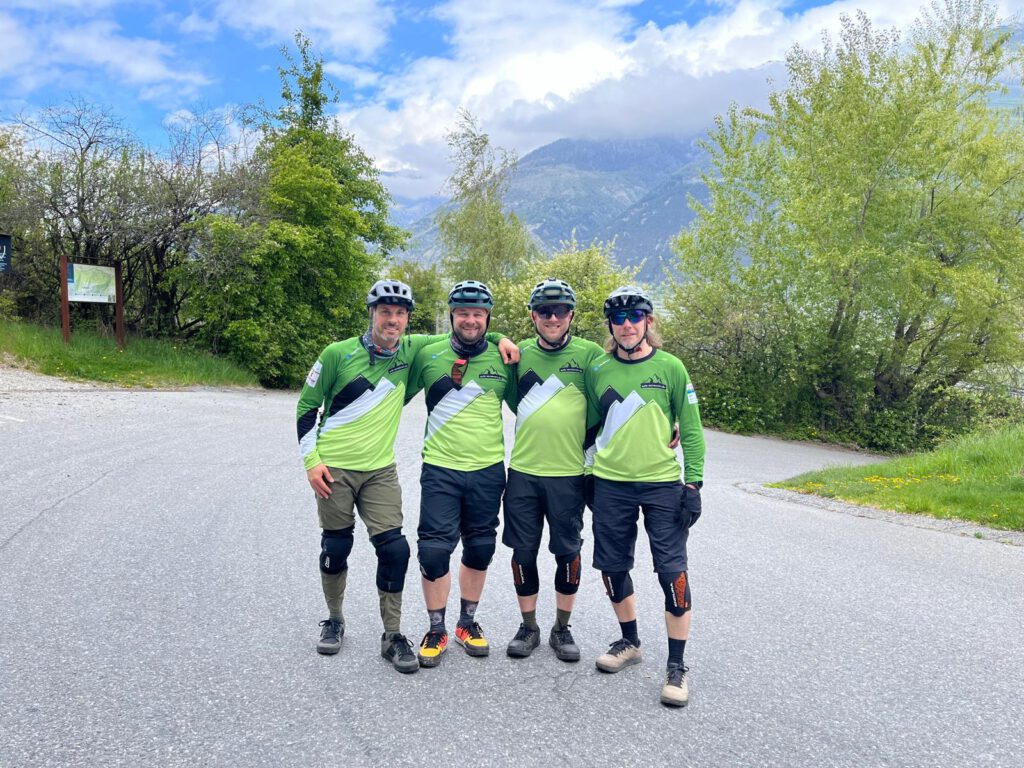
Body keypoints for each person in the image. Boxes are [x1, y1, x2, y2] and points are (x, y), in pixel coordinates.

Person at [296, 278, 518, 673]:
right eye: (385, 312)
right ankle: (334, 618)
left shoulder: (413, 350)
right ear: (372, 313)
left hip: (380, 469)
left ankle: (393, 635)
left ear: (408, 319)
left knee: (396, 550)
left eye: (400, 313)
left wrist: (499, 335)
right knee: (336, 547)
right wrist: (311, 460)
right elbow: (307, 408)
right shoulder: (336, 354)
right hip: (334, 467)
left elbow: (471, 332)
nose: (393, 319)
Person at [584, 285, 705, 708]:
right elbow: (588, 428)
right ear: (611, 327)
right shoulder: (598, 369)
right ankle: (630, 642)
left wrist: (694, 484)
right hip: (610, 483)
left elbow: (689, 429)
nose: (628, 325)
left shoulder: (671, 367)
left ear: (649, 322)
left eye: (636, 316)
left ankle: (676, 666)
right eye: (619, 319)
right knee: (612, 568)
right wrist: (587, 474)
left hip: (661, 485)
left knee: (672, 574)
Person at [405, 280, 517, 668]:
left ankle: (466, 623)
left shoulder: (505, 360)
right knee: (434, 552)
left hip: (487, 470)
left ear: (488, 318)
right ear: (451, 316)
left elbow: (534, 406)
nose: (471, 320)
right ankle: (436, 628)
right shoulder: (426, 352)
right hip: (441, 468)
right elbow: (386, 375)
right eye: (463, 313)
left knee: (481, 548)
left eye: (479, 314)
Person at [503, 278, 604, 662]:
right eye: (544, 311)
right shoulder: (518, 353)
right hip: (525, 472)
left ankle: (562, 628)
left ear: (571, 315)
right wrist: (497, 336)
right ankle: (529, 627)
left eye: (560, 310)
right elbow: (507, 393)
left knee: (567, 552)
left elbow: (617, 384)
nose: (552, 317)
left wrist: (669, 418)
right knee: (523, 552)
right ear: (533, 315)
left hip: (569, 474)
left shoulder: (590, 354)